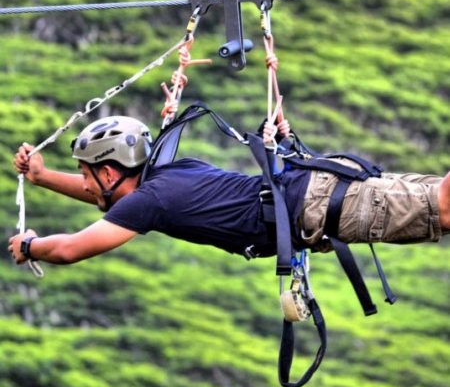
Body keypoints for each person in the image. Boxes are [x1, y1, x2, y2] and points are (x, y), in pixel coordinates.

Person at [8, 115, 450, 266]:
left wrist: (32, 245)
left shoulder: (151, 200)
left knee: (445, 208)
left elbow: (68, 249)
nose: (86, 183)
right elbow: (110, 201)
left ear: (109, 171)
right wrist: (43, 178)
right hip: (325, 190)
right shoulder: (165, 179)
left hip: (322, 205)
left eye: (87, 173)